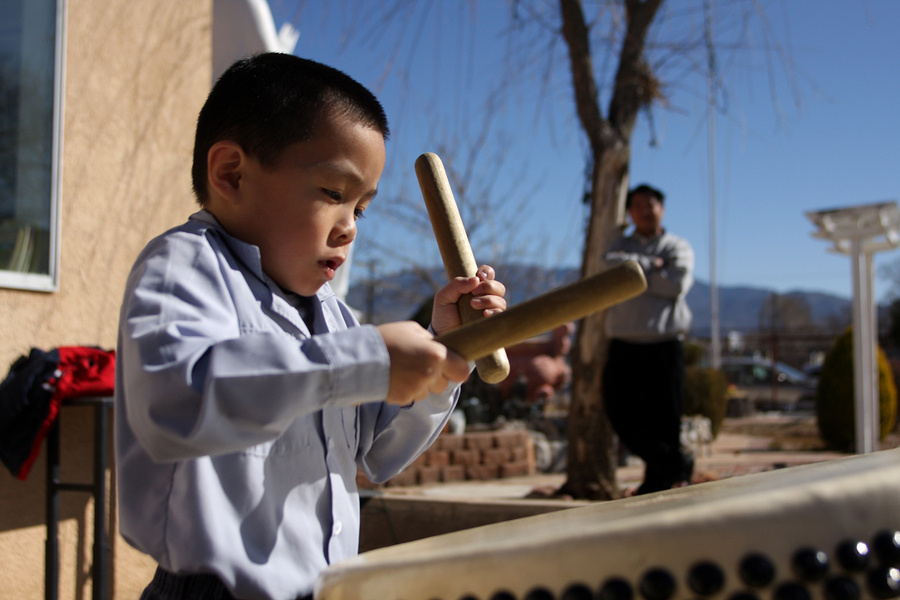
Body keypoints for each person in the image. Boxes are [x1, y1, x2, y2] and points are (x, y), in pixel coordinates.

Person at [114, 53, 507, 600]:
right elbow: (177, 404)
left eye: (361, 209)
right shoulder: (186, 265)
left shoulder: (330, 313)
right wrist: (363, 362)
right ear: (231, 173)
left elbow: (381, 452)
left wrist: (446, 350)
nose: (349, 229)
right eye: (332, 194)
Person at [602, 183, 694, 495]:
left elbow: (676, 282)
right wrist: (652, 266)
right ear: (629, 212)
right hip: (624, 345)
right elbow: (608, 271)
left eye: (650, 203)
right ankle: (676, 464)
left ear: (662, 209)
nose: (644, 210)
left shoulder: (677, 246)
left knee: (666, 420)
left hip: (664, 345)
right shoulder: (617, 243)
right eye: (637, 205)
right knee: (618, 411)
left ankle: (658, 482)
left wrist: (633, 272)